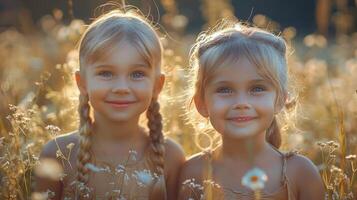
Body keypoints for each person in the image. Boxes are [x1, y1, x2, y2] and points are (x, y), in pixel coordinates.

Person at [35, 8, 185, 200]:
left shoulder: (171, 158)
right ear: (82, 83)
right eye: (106, 73)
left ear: (157, 85)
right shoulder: (57, 155)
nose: (121, 88)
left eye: (137, 74)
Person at [178, 21, 325, 200]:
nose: (241, 103)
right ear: (202, 103)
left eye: (257, 88)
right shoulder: (192, 173)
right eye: (224, 89)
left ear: (280, 100)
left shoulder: (301, 173)